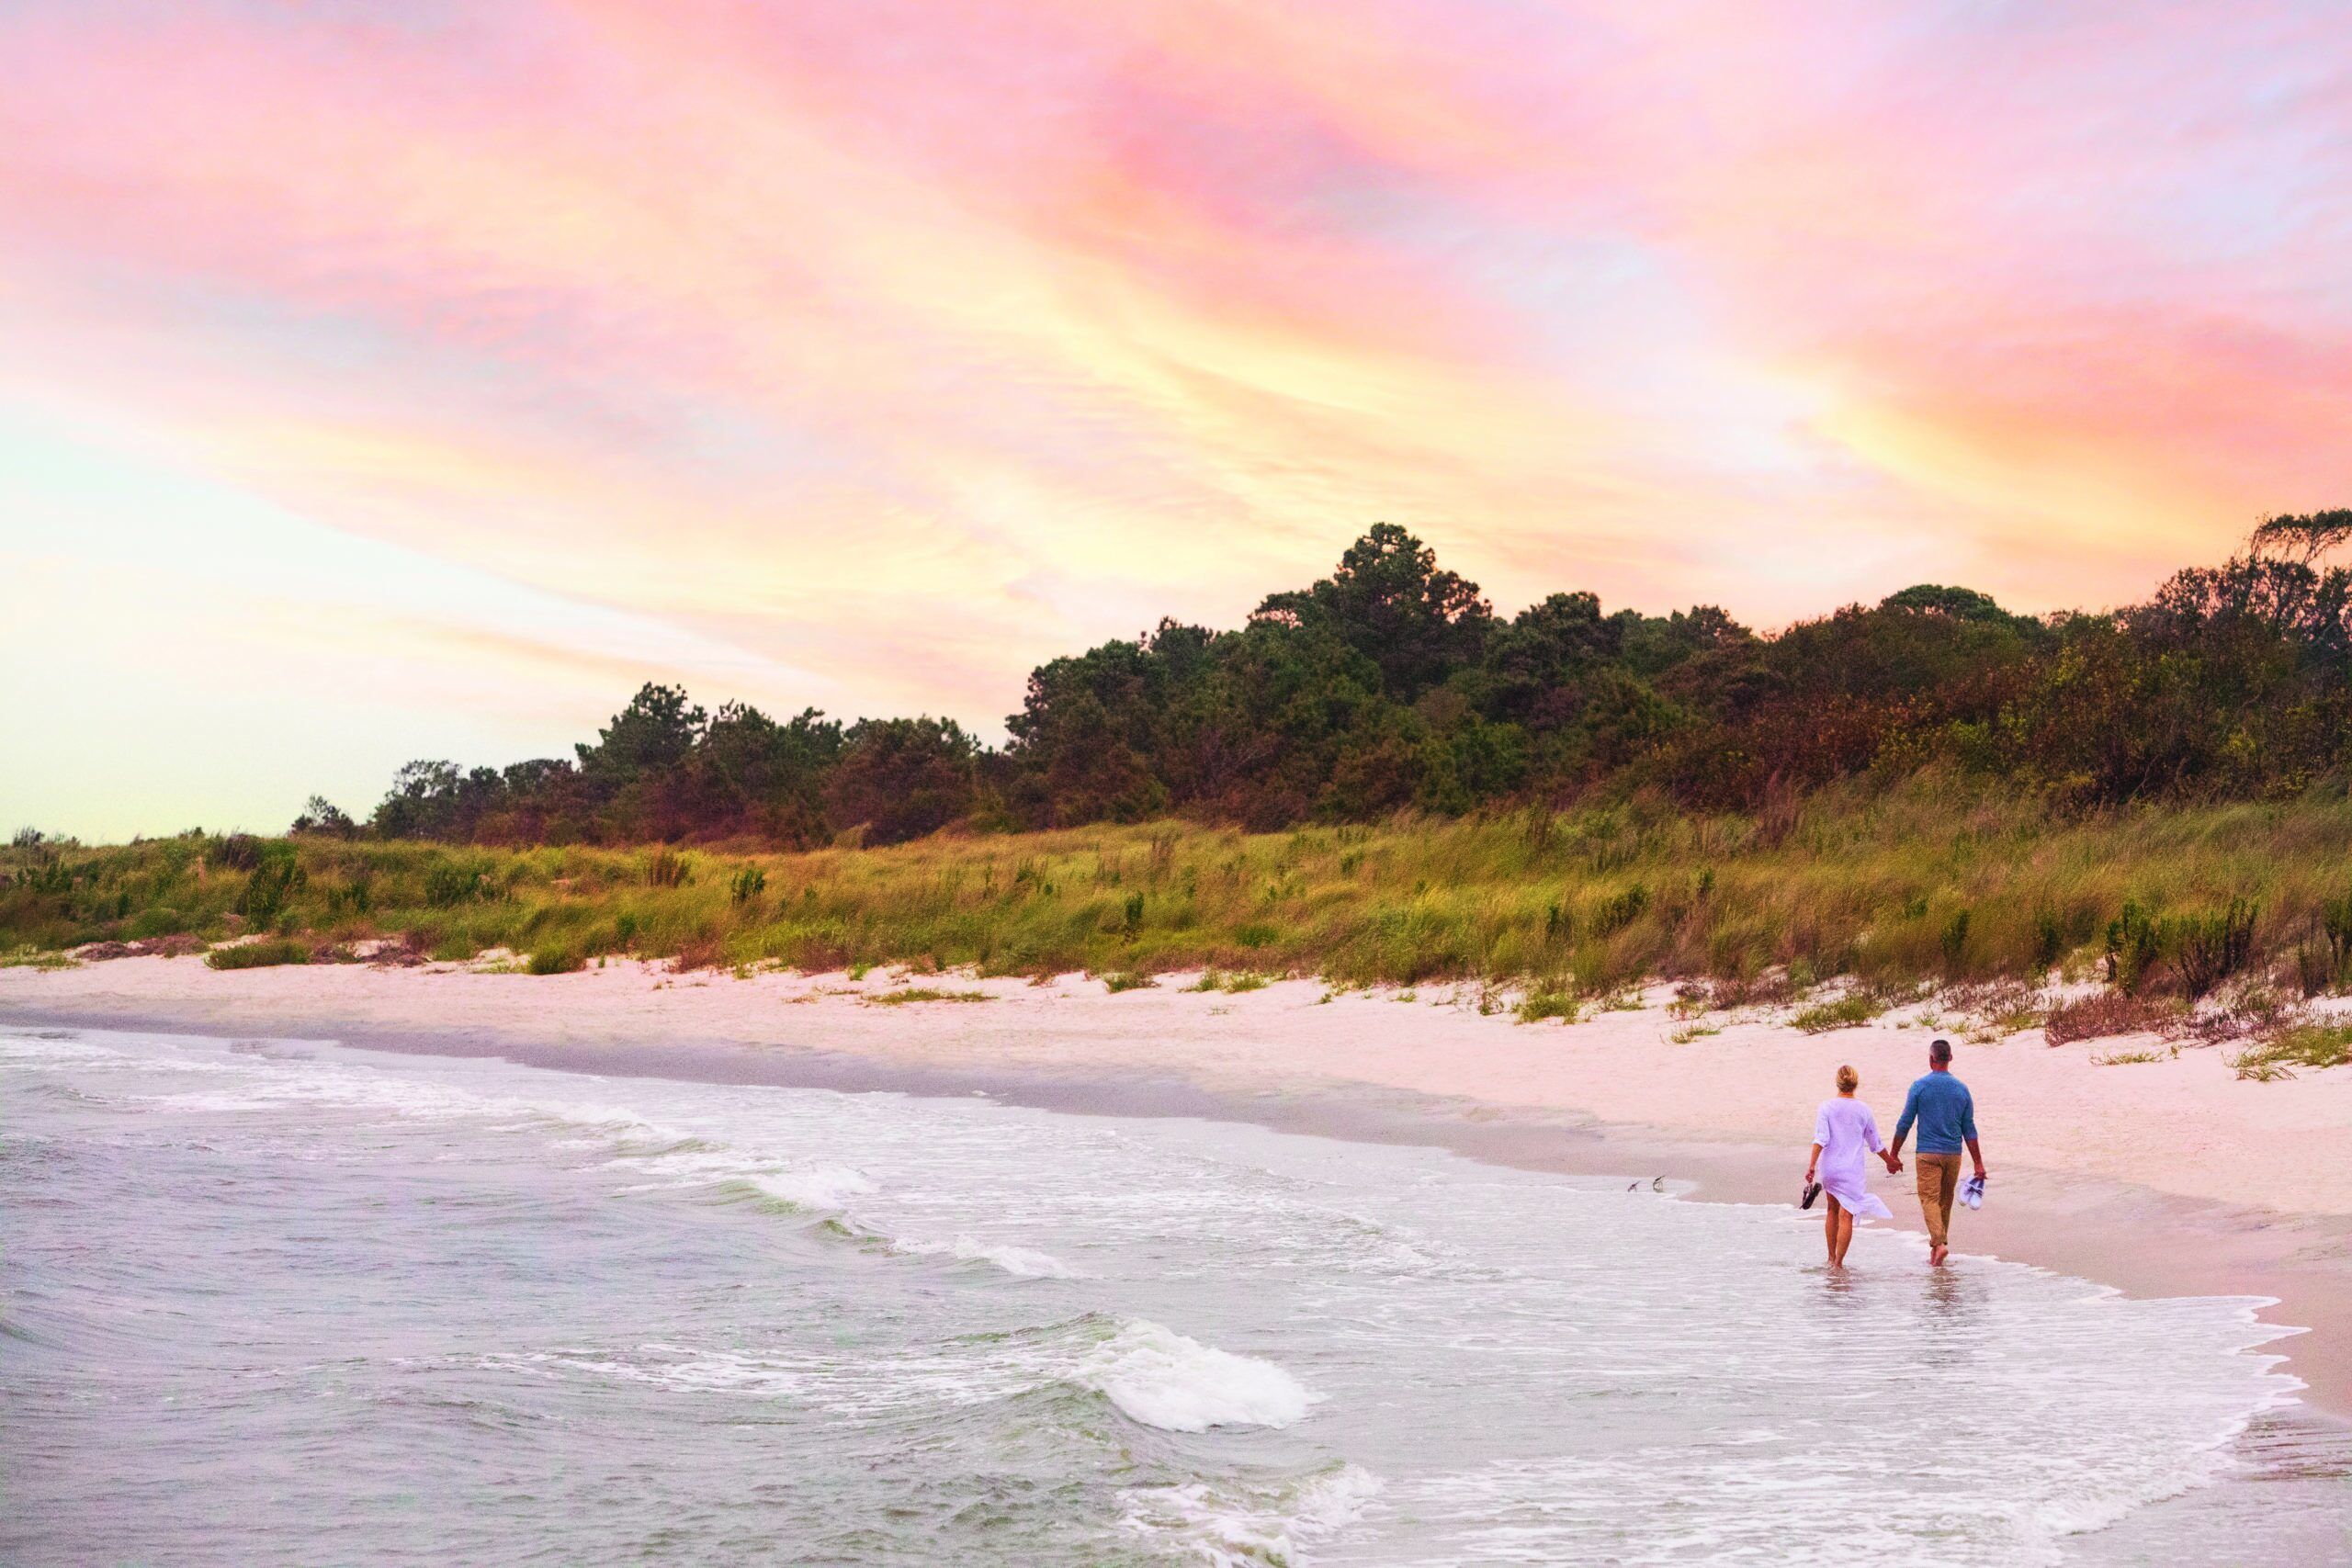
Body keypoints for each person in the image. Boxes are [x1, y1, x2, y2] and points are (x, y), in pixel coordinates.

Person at [1885, 1038, 1986, 1266]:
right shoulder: (1962, 1089)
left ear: (1931, 1059)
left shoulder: (1920, 1086)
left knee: (1929, 1200)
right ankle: (1937, 1254)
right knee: (1945, 1202)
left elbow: (1905, 1123)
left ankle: (1939, 1245)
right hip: (1953, 1154)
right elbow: (1969, 1129)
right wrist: (1978, 1163)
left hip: (1927, 1154)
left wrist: (1894, 1154)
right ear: (1950, 1058)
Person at [1804, 1064, 1897, 1267]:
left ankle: (1829, 1259)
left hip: (1830, 1168)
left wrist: (1811, 1166)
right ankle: (1838, 1263)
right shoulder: (1864, 1110)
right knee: (1847, 1214)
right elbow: (1875, 1143)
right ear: (1855, 1083)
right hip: (1852, 1170)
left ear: (1837, 1083)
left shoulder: (1826, 1107)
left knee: (1831, 1210)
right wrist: (1890, 1161)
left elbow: (1821, 1139)